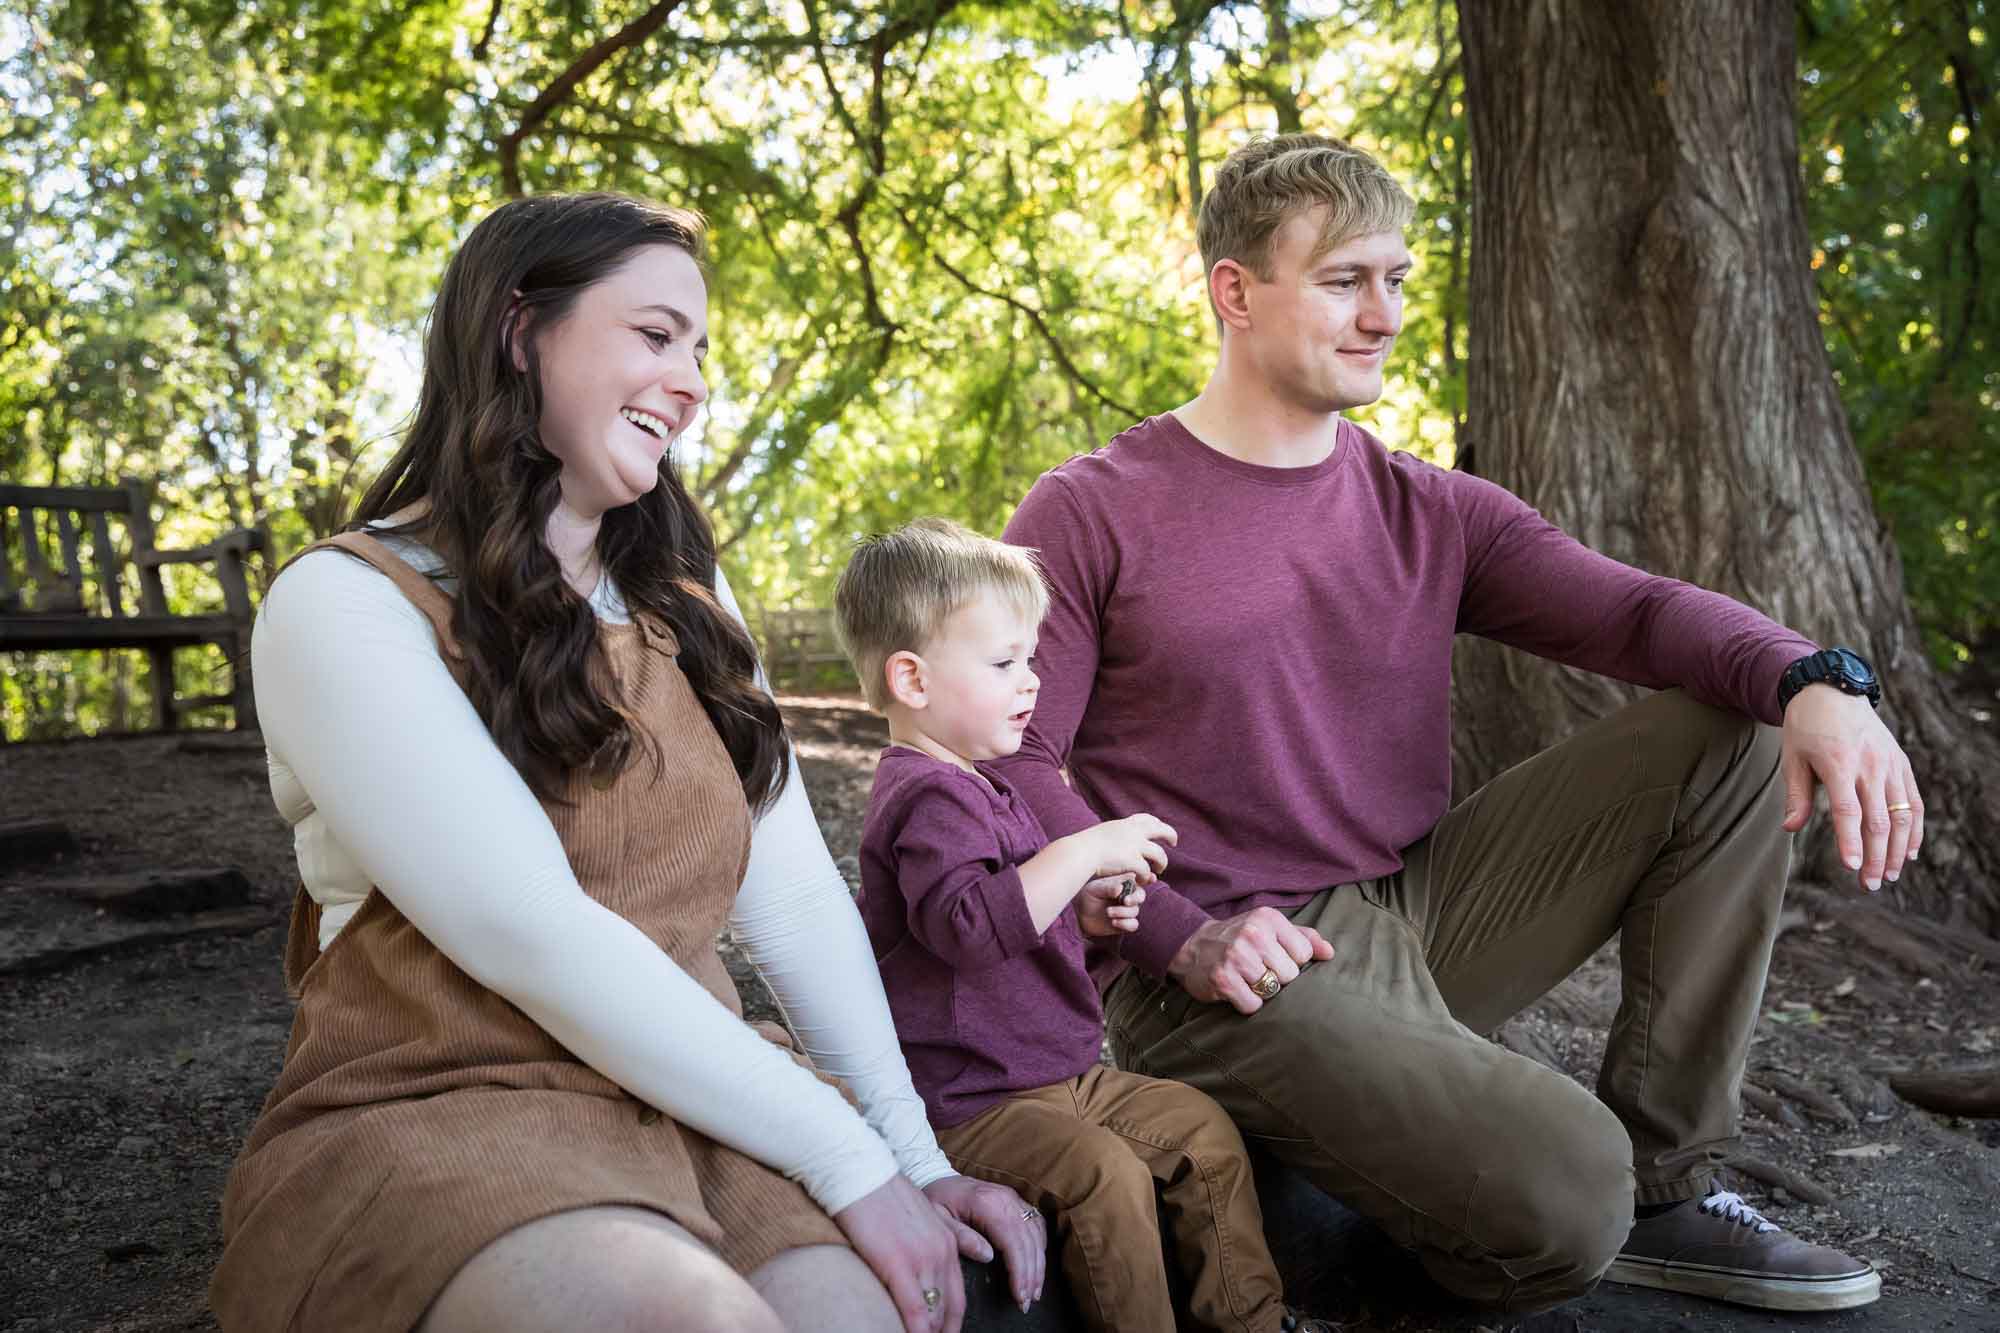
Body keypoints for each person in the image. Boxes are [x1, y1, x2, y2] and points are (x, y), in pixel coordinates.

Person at [992, 135, 1915, 1315]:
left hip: (1415, 913)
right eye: (1341, 281)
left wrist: (1813, 678)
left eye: (1395, 279)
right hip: (1222, 966)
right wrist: (1175, 933)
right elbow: (1010, 761)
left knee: (1731, 734)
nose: (1380, 314)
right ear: (1233, 291)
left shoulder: (1426, 508)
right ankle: (1364, 1223)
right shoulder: (1091, 509)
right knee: (1567, 1193)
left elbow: (1636, 611)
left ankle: (1667, 1189)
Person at [209, 193, 1043, 1333]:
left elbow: (793, 899)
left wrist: (912, 1156)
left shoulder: (689, 603)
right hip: (447, 1105)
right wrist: (848, 1162)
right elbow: (529, 931)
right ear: (518, 331)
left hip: (696, 1106)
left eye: (698, 349)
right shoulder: (342, 604)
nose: (692, 380)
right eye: (655, 335)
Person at [831, 517, 1338, 1333]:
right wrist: (1084, 848)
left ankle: (1250, 1319)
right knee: (1104, 1175)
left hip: (1060, 1073)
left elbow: (1018, 914)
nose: (1031, 681)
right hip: (972, 1099)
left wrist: (1089, 916)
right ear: (912, 680)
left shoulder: (983, 785)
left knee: (1200, 1131)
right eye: (1004, 663)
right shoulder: (922, 795)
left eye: (1030, 657)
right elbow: (966, 924)